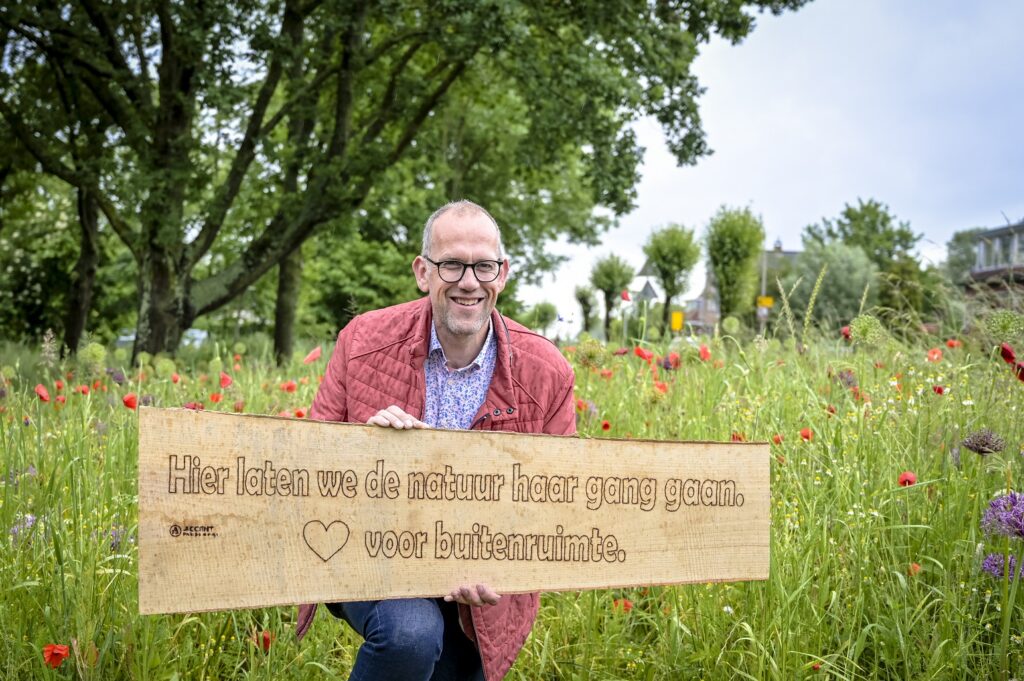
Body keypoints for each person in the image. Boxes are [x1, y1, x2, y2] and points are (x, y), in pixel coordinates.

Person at [295, 200, 576, 681]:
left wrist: (497, 563)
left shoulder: (546, 371)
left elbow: (557, 503)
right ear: (424, 272)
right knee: (410, 635)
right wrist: (366, 449)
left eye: (483, 265)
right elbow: (310, 469)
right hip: (373, 551)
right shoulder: (362, 341)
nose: (469, 281)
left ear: (502, 274)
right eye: (451, 265)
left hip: (484, 582)